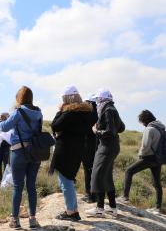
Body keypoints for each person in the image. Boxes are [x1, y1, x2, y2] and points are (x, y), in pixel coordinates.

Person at [50, 86, 98, 221]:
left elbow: (55, 126)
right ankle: (72, 209)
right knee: (68, 179)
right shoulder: (87, 112)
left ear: (67, 99)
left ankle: (72, 212)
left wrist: (60, 110)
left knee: (66, 181)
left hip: (66, 149)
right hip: (78, 149)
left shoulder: (69, 113)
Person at [0, 86, 43, 229]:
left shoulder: (19, 112)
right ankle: (33, 219)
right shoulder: (39, 112)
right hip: (35, 152)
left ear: (19, 98)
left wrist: (2, 121)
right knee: (31, 186)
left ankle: (15, 220)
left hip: (19, 152)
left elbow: (5, 127)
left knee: (18, 186)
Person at [86, 89, 125, 218]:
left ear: (102, 99)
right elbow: (122, 127)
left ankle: (99, 209)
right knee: (107, 176)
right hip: (113, 146)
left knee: (97, 175)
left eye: (98, 99)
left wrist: (96, 131)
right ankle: (113, 208)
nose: (96, 102)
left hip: (106, 146)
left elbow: (109, 132)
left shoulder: (107, 110)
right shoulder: (113, 108)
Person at [119, 110, 164, 214]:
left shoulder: (149, 129)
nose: (142, 124)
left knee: (129, 171)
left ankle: (125, 197)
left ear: (144, 120)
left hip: (148, 157)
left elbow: (145, 146)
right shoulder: (160, 127)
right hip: (158, 158)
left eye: (141, 121)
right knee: (157, 182)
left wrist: (141, 155)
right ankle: (157, 208)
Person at [81, 94, 98, 203]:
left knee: (88, 170)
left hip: (87, 145)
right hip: (97, 146)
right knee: (94, 170)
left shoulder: (87, 114)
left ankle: (90, 195)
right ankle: (95, 195)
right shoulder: (99, 113)